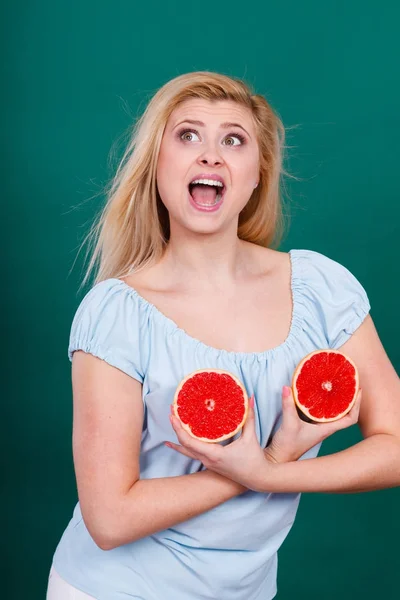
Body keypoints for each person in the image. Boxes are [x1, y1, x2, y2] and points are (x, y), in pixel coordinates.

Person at [46, 71, 400, 600]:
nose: (210, 155)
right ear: (157, 167)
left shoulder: (322, 289)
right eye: (187, 135)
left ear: (256, 174)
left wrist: (270, 473)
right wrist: (266, 466)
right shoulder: (116, 313)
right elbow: (110, 518)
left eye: (233, 140)